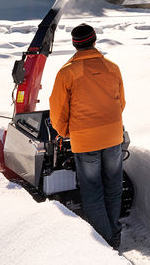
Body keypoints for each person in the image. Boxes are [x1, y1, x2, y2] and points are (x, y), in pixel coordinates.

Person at [49, 23, 126, 249]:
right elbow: (120, 102)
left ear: (75, 44)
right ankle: (115, 231)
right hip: (113, 135)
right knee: (113, 185)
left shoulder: (66, 72)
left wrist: (63, 132)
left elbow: (58, 109)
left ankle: (105, 241)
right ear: (94, 41)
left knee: (92, 190)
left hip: (85, 140)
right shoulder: (112, 67)